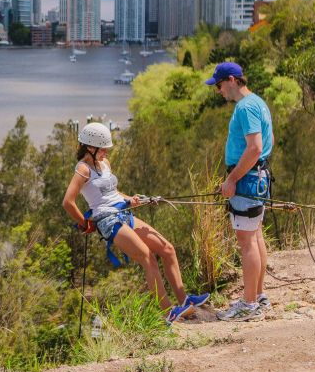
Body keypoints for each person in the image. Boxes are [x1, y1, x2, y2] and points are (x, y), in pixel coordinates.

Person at [62, 122, 209, 324]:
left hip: (123, 212)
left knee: (167, 249)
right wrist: (85, 223)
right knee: (148, 257)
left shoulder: (105, 164)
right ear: (90, 147)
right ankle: (167, 312)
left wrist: (130, 198)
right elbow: (68, 202)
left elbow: (113, 193)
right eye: (103, 148)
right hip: (107, 220)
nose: (106, 151)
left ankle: (184, 299)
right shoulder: (83, 168)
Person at [206, 62, 275, 322]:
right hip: (258, 177)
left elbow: (255, 147)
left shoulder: (245, 107)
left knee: (246, 242)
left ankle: (248, 304)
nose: (219, 91)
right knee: (255, 236)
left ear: (232, 80)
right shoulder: (258, 102)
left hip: (246, 179)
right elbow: (269, 142)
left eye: (220, 85)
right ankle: (257, 297)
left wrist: (232, 179)